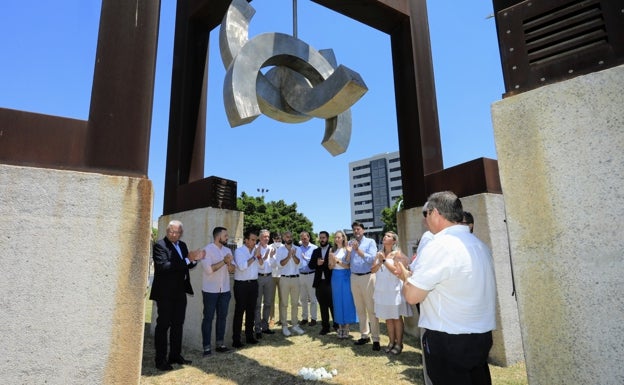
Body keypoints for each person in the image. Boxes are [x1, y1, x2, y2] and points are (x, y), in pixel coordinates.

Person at [398, 191, 497, 385]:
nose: (425, 221)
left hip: (449, 340)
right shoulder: (480, 245)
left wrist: (404, 275)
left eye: (426, 214)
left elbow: (411, 296)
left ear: (435, 213)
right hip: (481, 337)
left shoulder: (439, 245)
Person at [150, 220, 205, 371]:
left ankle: (175, 355)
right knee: (163, 326)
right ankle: (160, 360)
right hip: (165, 293)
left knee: (178, 325)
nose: (172, 234)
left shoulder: (182, 245)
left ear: (181, 233)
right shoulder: (160, 245)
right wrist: (188, 259)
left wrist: (195, 259)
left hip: (180, 292)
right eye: (170, 231)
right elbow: (164, 267)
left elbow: (185, 265)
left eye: (176, 232)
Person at [371, 231, 412, 355]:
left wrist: (384, 261)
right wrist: (379, 261)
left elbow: (396, 271)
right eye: (385, 235)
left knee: (396, 317)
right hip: (382, 290)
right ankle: (390, 342)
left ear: (394, 241)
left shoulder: (397, 254)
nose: (385, 237)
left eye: (388, 236)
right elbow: (372, 270)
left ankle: (399, 343)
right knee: (388, 318)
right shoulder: (379, 254)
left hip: (394, 290)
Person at [200, 226, 235, 357]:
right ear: (218, 236)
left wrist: (230, 264)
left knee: (222, 317)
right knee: (208, 318)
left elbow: (233, 270)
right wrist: (224, 261)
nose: (227, 238)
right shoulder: (206, 250)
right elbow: (209, 270)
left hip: (225, 290)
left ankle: (220, 344)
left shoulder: (228, 250)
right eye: (225, 236)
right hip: (210, 291)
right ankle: (206, 347)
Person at [348, 221, 380, 351]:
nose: (356, 231)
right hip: (354, 277)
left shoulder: (370, 242)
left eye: (358, 229)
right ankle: (364, 334)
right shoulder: (350, 243)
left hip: (368, 277)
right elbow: (346, 261)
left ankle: (376, 339)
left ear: (363, 230)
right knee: (360, 309)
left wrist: (358, 250)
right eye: (354, 230)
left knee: (371, 309)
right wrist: (349, 252)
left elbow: (372, 259)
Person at [232, 230, 263, 348]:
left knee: (251, 311)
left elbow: (261, 265)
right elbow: (242, 266)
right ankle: (236, 339)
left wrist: (259, 256)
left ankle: (249, 336)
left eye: (256, 240)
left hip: (253, 284)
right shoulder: (239, 251)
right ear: (246, 240)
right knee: (239, 312)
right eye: (253, 240)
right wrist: (254, 256)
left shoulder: (255, 251)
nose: (255, 242)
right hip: (241, 285)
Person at [328, 230, 358, 339]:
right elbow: (330, 267)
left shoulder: (347, 250)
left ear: (343, 238)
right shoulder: (332, 250)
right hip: (335, 277)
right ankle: (340, 327)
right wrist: (332, 262)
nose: (337, 239)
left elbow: (348, 266)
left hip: (346, 276)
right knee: (337, 301)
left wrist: (338, 262)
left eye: (339, 237)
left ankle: (347, 327)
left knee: (347, 301)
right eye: (335, 237)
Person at [276, 231, 305, 336]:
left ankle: (295, 325)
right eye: (287, 237)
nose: (289, 238)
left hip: (296, 279)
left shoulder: (298, 248)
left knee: (295, 304)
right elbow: (279, 265)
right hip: (284, 279)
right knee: (284, 303)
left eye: (290, 236)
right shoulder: (280, 250)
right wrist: (288, 256)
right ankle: (284, 326)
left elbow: (299, 263)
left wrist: (293, 256)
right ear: (284, 238)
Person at [309, 231, 334, 335]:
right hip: (319, 283)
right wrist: (317, 263)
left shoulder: (333, 249)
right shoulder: (316, 251)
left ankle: (336, 325)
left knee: (333, 305)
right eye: (320, 238)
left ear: (327, 238)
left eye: (323, 237)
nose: (322, 239)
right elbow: (310, 265)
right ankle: (325, 327)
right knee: (322, 306)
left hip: (331, 282)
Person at [254, 229, 277, 339]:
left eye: (268, 236)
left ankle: (265, 327)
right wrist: (265, 256)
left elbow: (274, 265)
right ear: (259, 238)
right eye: (264, 236)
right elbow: (260, 266)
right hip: (258, 277)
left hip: (269, 277)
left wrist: (271, 257)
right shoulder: (255, 248)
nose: (267, 238)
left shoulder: (271, 248)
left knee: (268, 303)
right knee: (257, 305)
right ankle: (257, 329)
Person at [298, 231, 318, 326]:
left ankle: (313, 318)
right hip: (301, 275)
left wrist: (305, 257)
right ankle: (304, 318)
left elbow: (315, 261)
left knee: (313, 298)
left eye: (305, 238)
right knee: (303, 298)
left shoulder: (315, 248)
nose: (304, 240)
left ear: (309, 238)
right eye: (302, 239)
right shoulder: (298, 249)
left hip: (311, 275)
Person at [269, 233, 283, 326]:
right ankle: (272, 318)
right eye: (276, 239)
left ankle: (282, 318)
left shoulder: (284, 247)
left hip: (282, 275)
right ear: (273, 239)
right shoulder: (269, 247)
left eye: (279, 239)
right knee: (271, 298)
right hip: (272, 275)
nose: (277, 240)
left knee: (282, 298)